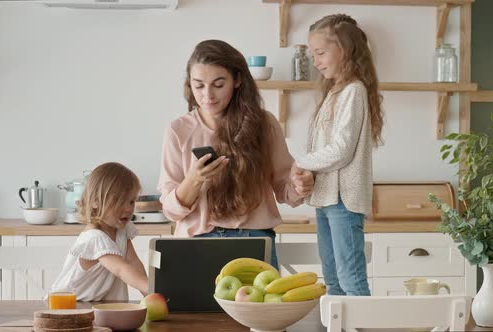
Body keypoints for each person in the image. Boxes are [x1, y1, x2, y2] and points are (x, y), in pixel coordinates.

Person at [157, 39, 314, 269]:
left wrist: (302, 184)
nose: (207, 95)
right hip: (197, 244)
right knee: (195, 307)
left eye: (218, 84)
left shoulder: (264, 124)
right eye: (198, 85)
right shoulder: (178, 130)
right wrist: (194, 179)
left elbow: (285, 189)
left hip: (253, 240)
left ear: (237, 80)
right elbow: (170, 211)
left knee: (259, 306)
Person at [294, 14, 384, 296]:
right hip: (327, 198)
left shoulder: (353, 91)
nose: (316, 61)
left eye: (320, 53)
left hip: (344, 201)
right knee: (333, 277)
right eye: (313, 54)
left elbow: (341, 150)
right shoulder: (336, 92)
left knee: (350, 276)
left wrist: (300, 163)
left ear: (344, 49)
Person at [49, 162, 148, 301]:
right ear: (95, 201)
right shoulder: (94, 238)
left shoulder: (121, 230)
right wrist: (153, 290)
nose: (128, 208)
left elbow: (134, 264)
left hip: (99, 309)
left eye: (131, 201)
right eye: (119, 201)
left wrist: (151, 295)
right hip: (71, 307)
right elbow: (121, 269)